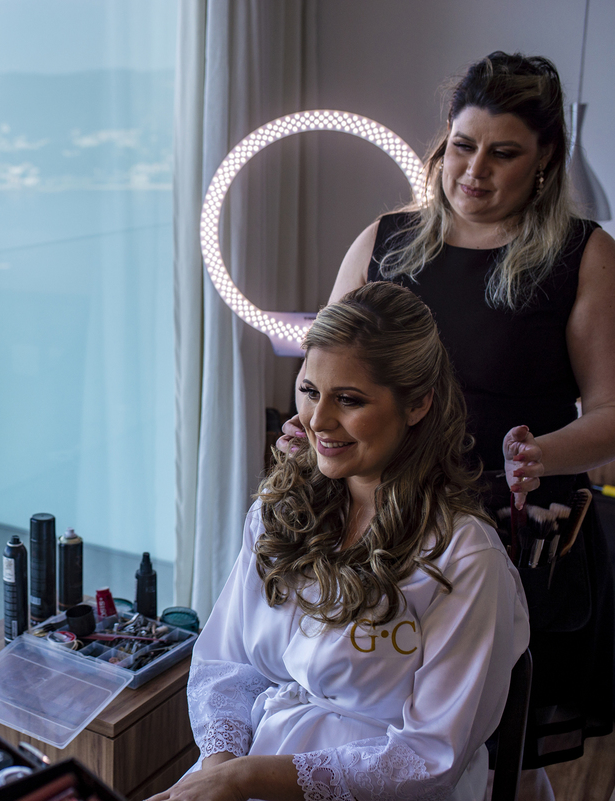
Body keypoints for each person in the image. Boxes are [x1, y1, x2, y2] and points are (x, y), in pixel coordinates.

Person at [277, 53, 615, 793]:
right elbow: (324, 372)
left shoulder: (583, 256)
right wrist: (310, 426)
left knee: (482, 748)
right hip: (379, 530)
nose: (475, 171)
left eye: (504, 153)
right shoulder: (383, 240)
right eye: (463, 145)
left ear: (546, 159)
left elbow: (611, 415)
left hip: (504, 536)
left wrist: (542, 452)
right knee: (369, 719)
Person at [150, 282, 529, 801]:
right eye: (309, 391)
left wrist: (245, 779)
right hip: (252, 765)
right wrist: (219, 770)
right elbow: (227, 665)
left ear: (418, 404)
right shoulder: (280, 514)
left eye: (348, 400)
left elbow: (428, 757)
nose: (318, 421)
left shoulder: (464, 556)